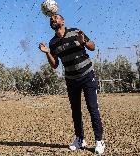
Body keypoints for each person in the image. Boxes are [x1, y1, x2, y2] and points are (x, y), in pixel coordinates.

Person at [38, 14, 105, 154]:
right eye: (51, 19)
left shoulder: (75, 32)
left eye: (55, 17)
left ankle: (99, 141)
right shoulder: (53, 42)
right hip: (71, 79)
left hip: (87, 75)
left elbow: (92, 47)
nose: (53, 19)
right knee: (75, 111)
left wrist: (83, 42)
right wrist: (47, 53)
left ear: (63, 21)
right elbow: (55, 65)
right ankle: (80, 139)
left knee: (92, 108)